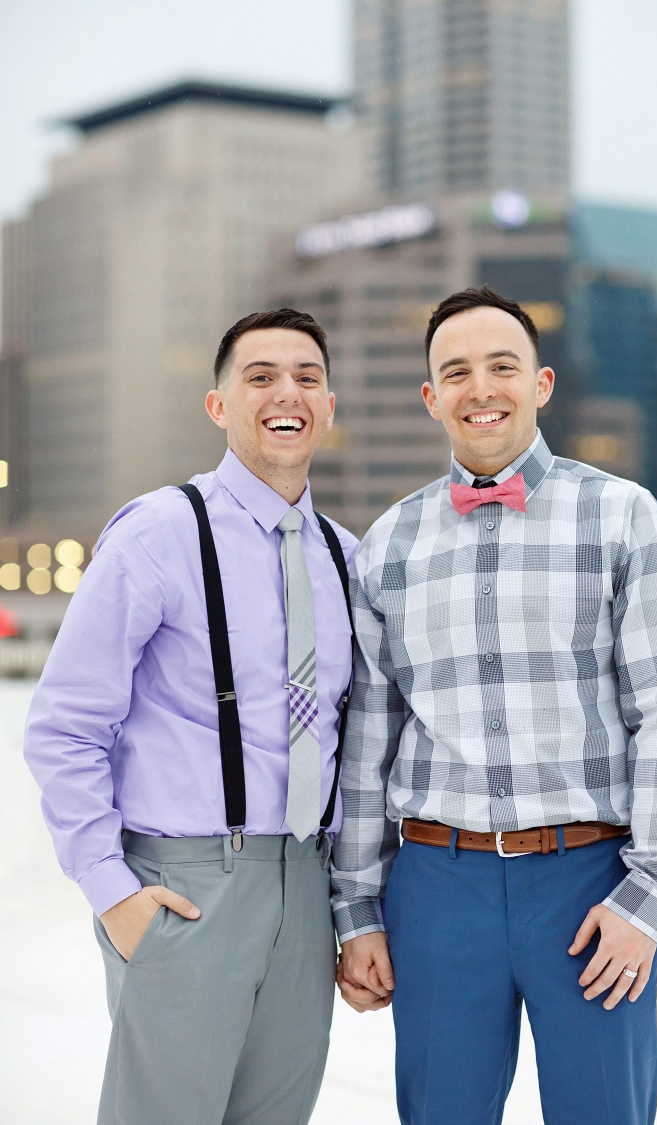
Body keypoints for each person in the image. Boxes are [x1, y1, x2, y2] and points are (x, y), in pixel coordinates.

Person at [333, 286, 657, 1125]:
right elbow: (368, 744)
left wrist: (648, 895)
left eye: (502, 365)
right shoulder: (388, 545)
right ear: (431, 397)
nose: (481, 388)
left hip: (590, 884)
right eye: (455, 371)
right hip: (436, 888)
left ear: (541, 383)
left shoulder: (622, 517)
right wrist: (356, 909)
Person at [24, 308, 357, 1125]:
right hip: (188, 889)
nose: (287, 393)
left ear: (329, 404)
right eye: (260, 376)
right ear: (219, 404)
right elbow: (65, 725)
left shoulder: (346, 557)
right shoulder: (160, 532)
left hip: (307, 889)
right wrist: (113, 892)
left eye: (307, 377)